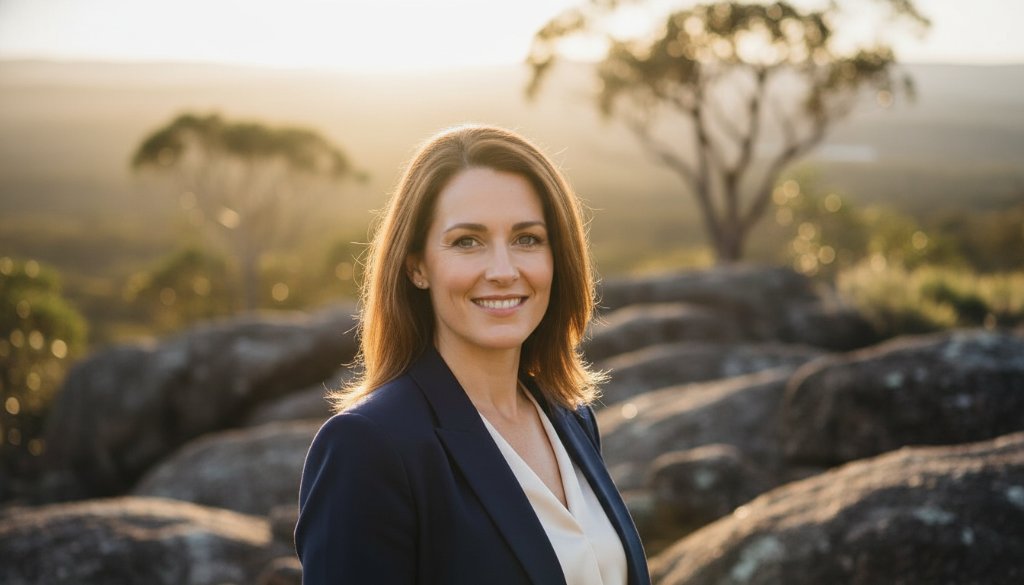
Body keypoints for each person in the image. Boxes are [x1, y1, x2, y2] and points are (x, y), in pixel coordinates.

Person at [295, 124, 650, 585]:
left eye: (527, 239)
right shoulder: (369, 447)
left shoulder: (568, 416)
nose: (503, 271)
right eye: (467, 241)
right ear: (417, 265)